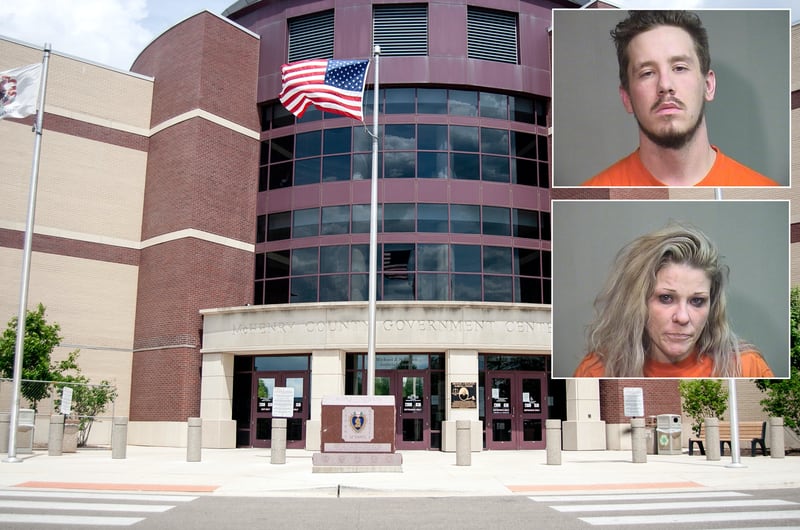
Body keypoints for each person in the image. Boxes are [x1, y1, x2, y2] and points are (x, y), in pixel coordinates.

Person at [582, 11, 778, 187]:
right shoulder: (594, 190)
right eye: (648, 72)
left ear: (708, 86)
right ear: (627, 98)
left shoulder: (765, 189)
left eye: (680, 68)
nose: (665, 85)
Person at [573, 222, 773, 377]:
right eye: (666, 298)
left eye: (697, 301)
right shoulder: (597, 372)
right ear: (636, 303)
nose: (683, 317)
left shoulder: (747, 367)